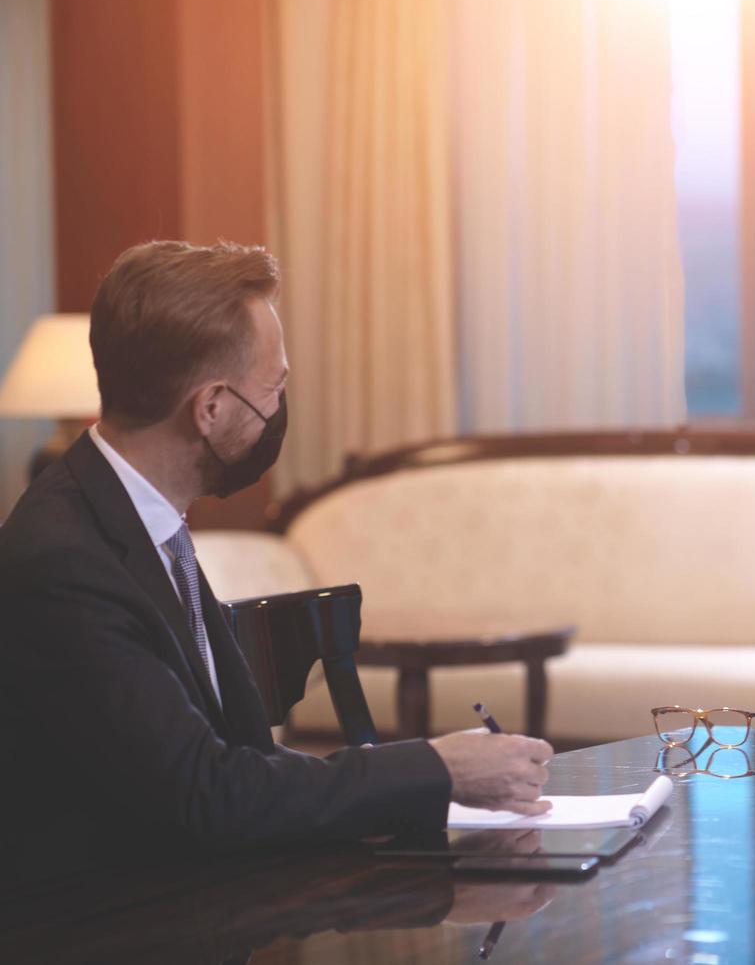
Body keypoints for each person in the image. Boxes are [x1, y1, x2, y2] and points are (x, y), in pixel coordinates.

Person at [0, 241, 551, 879]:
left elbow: (237, 762)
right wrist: (437, 769)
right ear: (210, 408)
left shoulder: (135, 517)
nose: (277, 411)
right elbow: (208, 795)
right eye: (274, 387)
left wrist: (427, 776)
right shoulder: (64, 562)